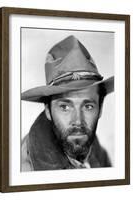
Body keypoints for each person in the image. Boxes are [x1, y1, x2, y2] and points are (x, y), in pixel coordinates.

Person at [21, 35, 114, 171]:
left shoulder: (99, 154)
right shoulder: (25, 169)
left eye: (88, 106)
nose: (77, 121)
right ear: (48, 110)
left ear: (100, 109)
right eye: (65, 107)